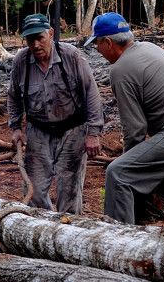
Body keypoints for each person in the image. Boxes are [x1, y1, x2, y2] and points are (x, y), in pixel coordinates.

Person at [85, 12, 164, 233]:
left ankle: (119, 244)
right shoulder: (149, 48)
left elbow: (135, 129)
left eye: (97, 43)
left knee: (118, 173)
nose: (97, 49)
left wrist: (131, 164)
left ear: (108, 42)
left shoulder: (121, 68)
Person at [7, 13, 104, 214]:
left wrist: (93, 133)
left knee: (69, 189)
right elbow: (14, 96)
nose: (35, 45)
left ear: (50, 34)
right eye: (29, 39)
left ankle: (68, 232)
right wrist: (15, 127)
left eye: (39, 38)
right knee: (34, 190)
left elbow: (91, 94)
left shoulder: (72, 57)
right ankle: (38, 230)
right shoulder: (21, 61)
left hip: (72, 131)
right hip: (38, 132)